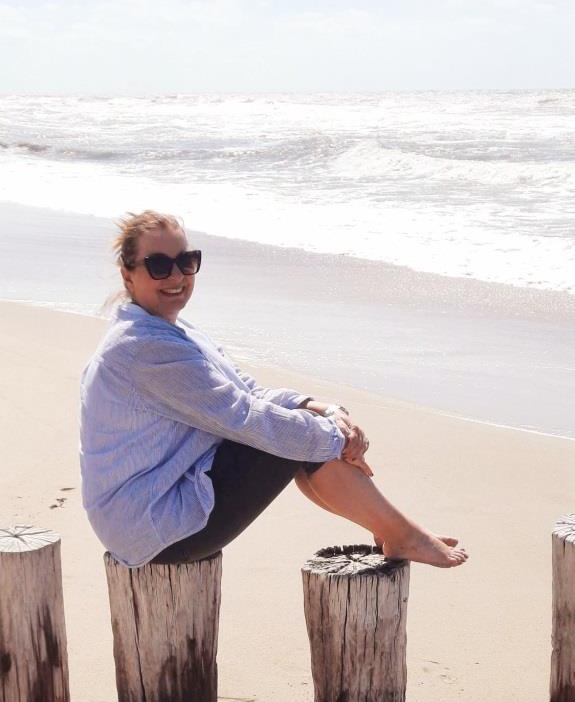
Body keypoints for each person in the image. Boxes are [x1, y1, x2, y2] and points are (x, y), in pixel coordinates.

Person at [80, 210, 468, 571]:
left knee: (298, 431)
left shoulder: (170, 330)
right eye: (159, 265)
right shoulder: (144, 347)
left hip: (154, 507)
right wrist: (335, 437)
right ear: (128, 275)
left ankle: (392, 530)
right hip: (154, 530)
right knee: (287, 438)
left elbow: (244, 391)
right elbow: (243, 416)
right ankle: (401, 533)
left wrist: (324, 409)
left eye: (186, 261)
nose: (177, 276)